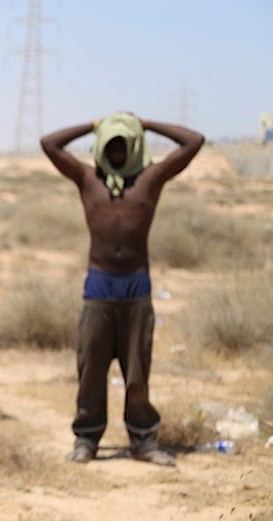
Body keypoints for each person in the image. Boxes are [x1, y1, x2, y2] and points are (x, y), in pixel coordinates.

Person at [40, 112, 204, 467]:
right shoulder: (87, 179)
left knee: (138, 373)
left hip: (136, 289)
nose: (116, 151)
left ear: (133, 146)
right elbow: (49, 144)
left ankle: (143, 441)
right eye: (110, 144)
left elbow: (194, 141)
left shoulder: (150, 179)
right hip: (98, 289)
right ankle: (87, 439)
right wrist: (94, 125)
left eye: (122, 143)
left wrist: (145, 124)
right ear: (100, 147)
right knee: (91, 370)